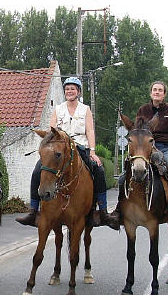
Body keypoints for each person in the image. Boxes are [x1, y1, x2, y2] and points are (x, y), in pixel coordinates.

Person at [15, 76, 119, 230]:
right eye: (67, 89)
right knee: (38, 170)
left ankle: (103, 211)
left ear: (78, 91)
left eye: (73, 89)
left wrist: (93, 151)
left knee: (98, 169)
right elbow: (52, 131)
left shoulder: (85, 109)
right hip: (61, 148)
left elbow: (89, 130)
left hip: (80, 147)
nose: (69, 91)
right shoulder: (58, 109)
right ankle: (33, 211)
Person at [107, 80, 168, 237]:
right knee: (123, 178)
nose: (157, 92)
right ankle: (119, 211)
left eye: (160, 90)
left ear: (164, 94)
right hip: (146, 147)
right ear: (151, 93)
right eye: (155, 90)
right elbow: (137, 130)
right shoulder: (143, 110)